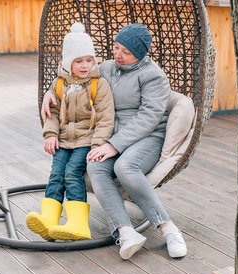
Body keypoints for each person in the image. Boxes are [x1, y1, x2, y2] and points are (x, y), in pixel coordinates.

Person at [41, 23, 187, 259]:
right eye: (116, 47)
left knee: (124, 166)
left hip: (146, 137)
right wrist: (49, 92)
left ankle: (168, 227)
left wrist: (113, 145)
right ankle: (125, 231)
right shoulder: (107, 67)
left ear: (140, 55)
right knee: (95, 167)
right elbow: (72, 77)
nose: (117, 55)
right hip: (108, 135)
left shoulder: (154, 76)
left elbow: (148, 117)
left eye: (126, 52)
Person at [26, 22, 114, 241]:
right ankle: (49, 220)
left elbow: (105, 118)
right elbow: (53, 113)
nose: (85, 65)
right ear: (68, 62)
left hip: (86, 141)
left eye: (89, 60)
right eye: (78, 61)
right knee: (56, 175)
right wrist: (51, 134)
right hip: (63, 140)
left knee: (72, 174)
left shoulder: (98, 84)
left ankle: (78, 223)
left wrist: (98, 144)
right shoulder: (59, 84)